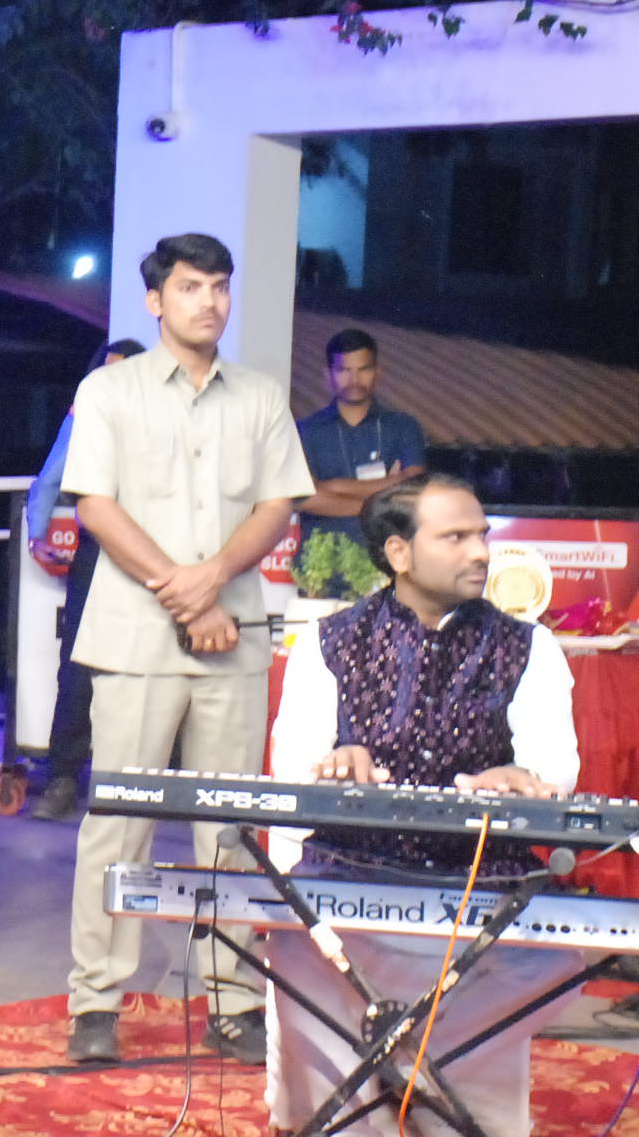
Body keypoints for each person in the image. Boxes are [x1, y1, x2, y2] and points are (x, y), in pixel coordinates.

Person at [60, 232, 312, 1065]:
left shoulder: (260, 397)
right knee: (119, 823)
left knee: (230, 827)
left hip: (232, 639)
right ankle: (95, 1002)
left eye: (220, 286)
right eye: (192, 286)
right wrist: (183, 588)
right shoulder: (108, 390)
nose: (210, 301)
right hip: (135, 638)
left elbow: (276, 505)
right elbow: (95, 506)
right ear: (155, 300)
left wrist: (213, 579)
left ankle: (231, 1001)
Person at [268, 474, 579, 1137]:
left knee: (555, 963)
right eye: (456, 537)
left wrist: (523, 778)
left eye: (482, 535)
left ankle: (420, 1078)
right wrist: (335, 767)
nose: (481, 552)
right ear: (399, 553)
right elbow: (291, 771)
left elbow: (557, 772)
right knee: (296, 946)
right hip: (347, 886)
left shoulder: (530, 647)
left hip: (481, 892)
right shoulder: (328, 642)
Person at [25, 338, 145, 821]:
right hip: (98, 548)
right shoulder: (86, 412)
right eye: (104, 373)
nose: (110, 382)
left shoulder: (165, 416)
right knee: (78, 668)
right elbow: (51, 476)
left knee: (150, 668)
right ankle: (62, 777)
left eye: (121, 373)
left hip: (160, 550)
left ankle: (143, 784)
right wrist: (36, 534)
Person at [295, 328, 428, 566]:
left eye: (363, 369)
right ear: (328, 374)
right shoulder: (304, 430)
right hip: (322, 562)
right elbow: (302, 497)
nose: (354, 380)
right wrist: (387, 491)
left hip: (387, 560)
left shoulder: (403, 426)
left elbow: (413, 486)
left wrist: (330, 487)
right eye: (344, 370)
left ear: (378, 372)